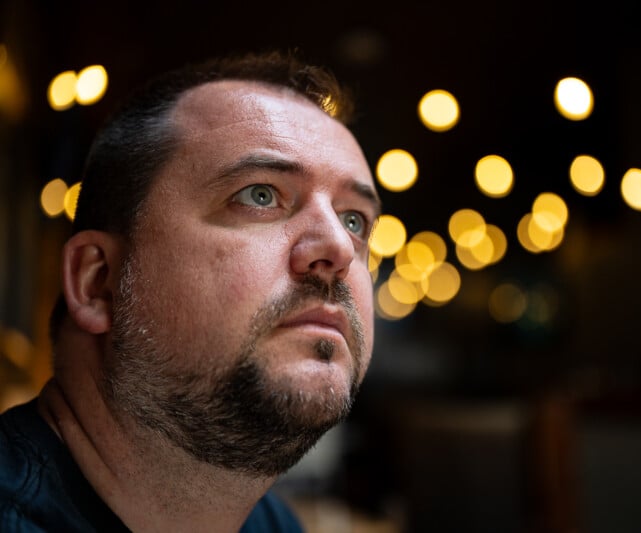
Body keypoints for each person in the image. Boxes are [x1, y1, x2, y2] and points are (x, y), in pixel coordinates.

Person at [0, 48, 382, 532]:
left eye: (354, 220)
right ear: (98, 283)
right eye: (259, 194)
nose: (339, 248)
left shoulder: (276, 526)